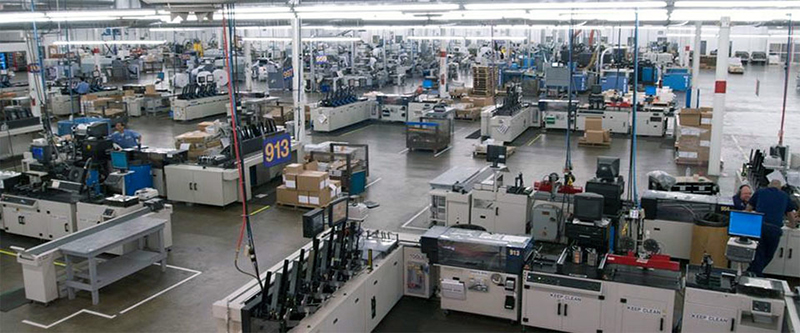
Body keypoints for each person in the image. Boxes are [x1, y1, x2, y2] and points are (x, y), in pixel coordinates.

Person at [746, 179, 798, 276]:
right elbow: (790, 214)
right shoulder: (784, 196)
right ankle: (755, 274)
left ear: (769, 185)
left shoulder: (760, 192)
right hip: (774, 230)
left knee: (758, 254)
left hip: (759, 227)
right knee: (768, 255)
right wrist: (792, 225)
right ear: (780, 187)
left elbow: (748, 209)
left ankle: (752, 273)